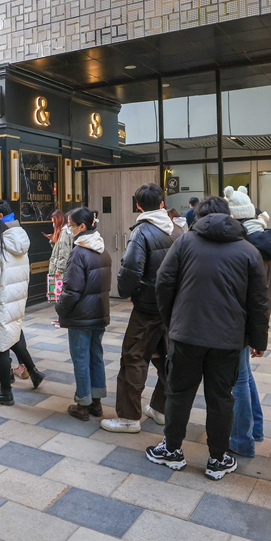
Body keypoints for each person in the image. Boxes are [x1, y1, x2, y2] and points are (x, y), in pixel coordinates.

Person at [147, 196, 271, 480]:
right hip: (227, 340)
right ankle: (218, 458)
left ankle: (172, 450)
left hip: (186, 334)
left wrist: (172, 321)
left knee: (178, 393)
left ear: (198, 216)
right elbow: (258, 302)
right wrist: (258, 340)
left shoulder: (185, 243)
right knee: (221, 398)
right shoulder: (248, 250)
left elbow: (163, 283)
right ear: (229, 216)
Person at [103, 183, 179, 434]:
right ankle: (160, 408)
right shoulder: (178, 230)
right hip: (170, 308)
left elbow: (131, 270)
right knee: (168, 359)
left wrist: (127, 292)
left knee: (134, 357)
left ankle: (128, 417)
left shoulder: (142, 231)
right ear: (161, 203)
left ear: (138, 205)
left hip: (147, 307)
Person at [226, 186, 271, 458]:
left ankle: (241, 439)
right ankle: (255, 429)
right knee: (244, 377)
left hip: (241, 321)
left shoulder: (247, 248)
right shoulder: (263, 242)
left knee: (239, 380)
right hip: (254, 319)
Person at [0, 218, 44, 405]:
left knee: (0, 347)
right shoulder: (19, 247)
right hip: (15, 301)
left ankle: (6, 392)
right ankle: (34, 373)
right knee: (13, 336)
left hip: (0, 302)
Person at [56, 207, 112, 421]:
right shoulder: (102, 248)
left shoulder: (79, 252)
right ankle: (96, 402)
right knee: (95, 356)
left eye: (70, 225)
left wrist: (60, 308)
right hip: (99, 313)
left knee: (81, 358)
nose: (68, 229)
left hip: (81, 316)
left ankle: (83, 403)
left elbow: (72, 290)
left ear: (82, 226)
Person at [46, 209, 73, 305]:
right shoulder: (62, 232)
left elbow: (63, 252)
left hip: (60, 270)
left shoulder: (64, 233)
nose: (53, 224)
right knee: (59, 296)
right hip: (59, 268)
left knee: (60, 296)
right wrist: (53, 240)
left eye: (54, 222)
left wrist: (59, 269)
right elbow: (58, 249)